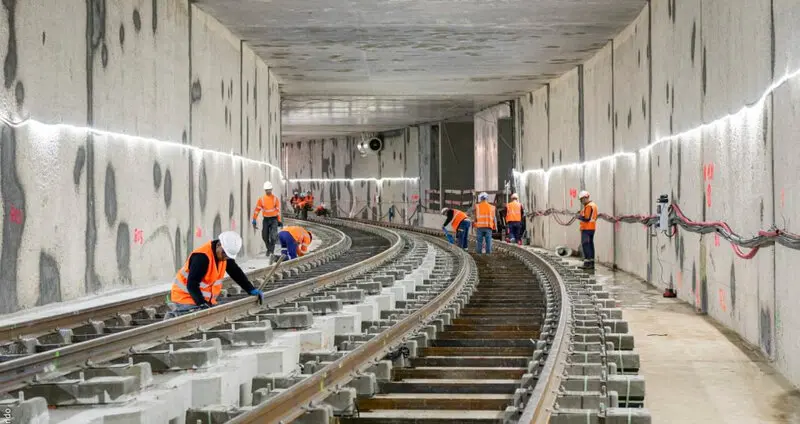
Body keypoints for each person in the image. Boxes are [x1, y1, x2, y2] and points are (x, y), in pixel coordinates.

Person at [168, 231, 263, 316]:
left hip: (203, 299)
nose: (225, 258)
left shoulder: (223, 255)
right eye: (224, 254)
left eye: (228, 256)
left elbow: (235, 272)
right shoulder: (202, 257)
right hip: (185, 298)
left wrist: (250, 289)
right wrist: (201, 303)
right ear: (218, 245)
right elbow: (192, 284)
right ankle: (173, 316)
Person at [251, 181, 282, 261]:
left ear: (271, 189)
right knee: (264, 236)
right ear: (265, 190)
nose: (268, 191)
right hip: (266, 220)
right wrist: (254, 219)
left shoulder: (275, 199)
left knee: (273, 236)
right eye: (266, 190)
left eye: (269, 189)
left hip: (274, 219)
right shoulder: (261, 199)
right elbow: (257, 210)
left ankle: (271, 251)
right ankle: (269, 249)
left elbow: (278, 211)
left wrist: (279, 220)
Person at [575, 190, 598, 270]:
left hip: (587, 228)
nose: (581, 201)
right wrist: (581, 213)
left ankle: (587, 263)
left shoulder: (589, 206)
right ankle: (591, 263)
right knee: (590, 245)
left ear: (585, 198)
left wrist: (578, 216)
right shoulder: (593, 205)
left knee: (585, 245)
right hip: (592, 228)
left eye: (581, 199)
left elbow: (587, 218)